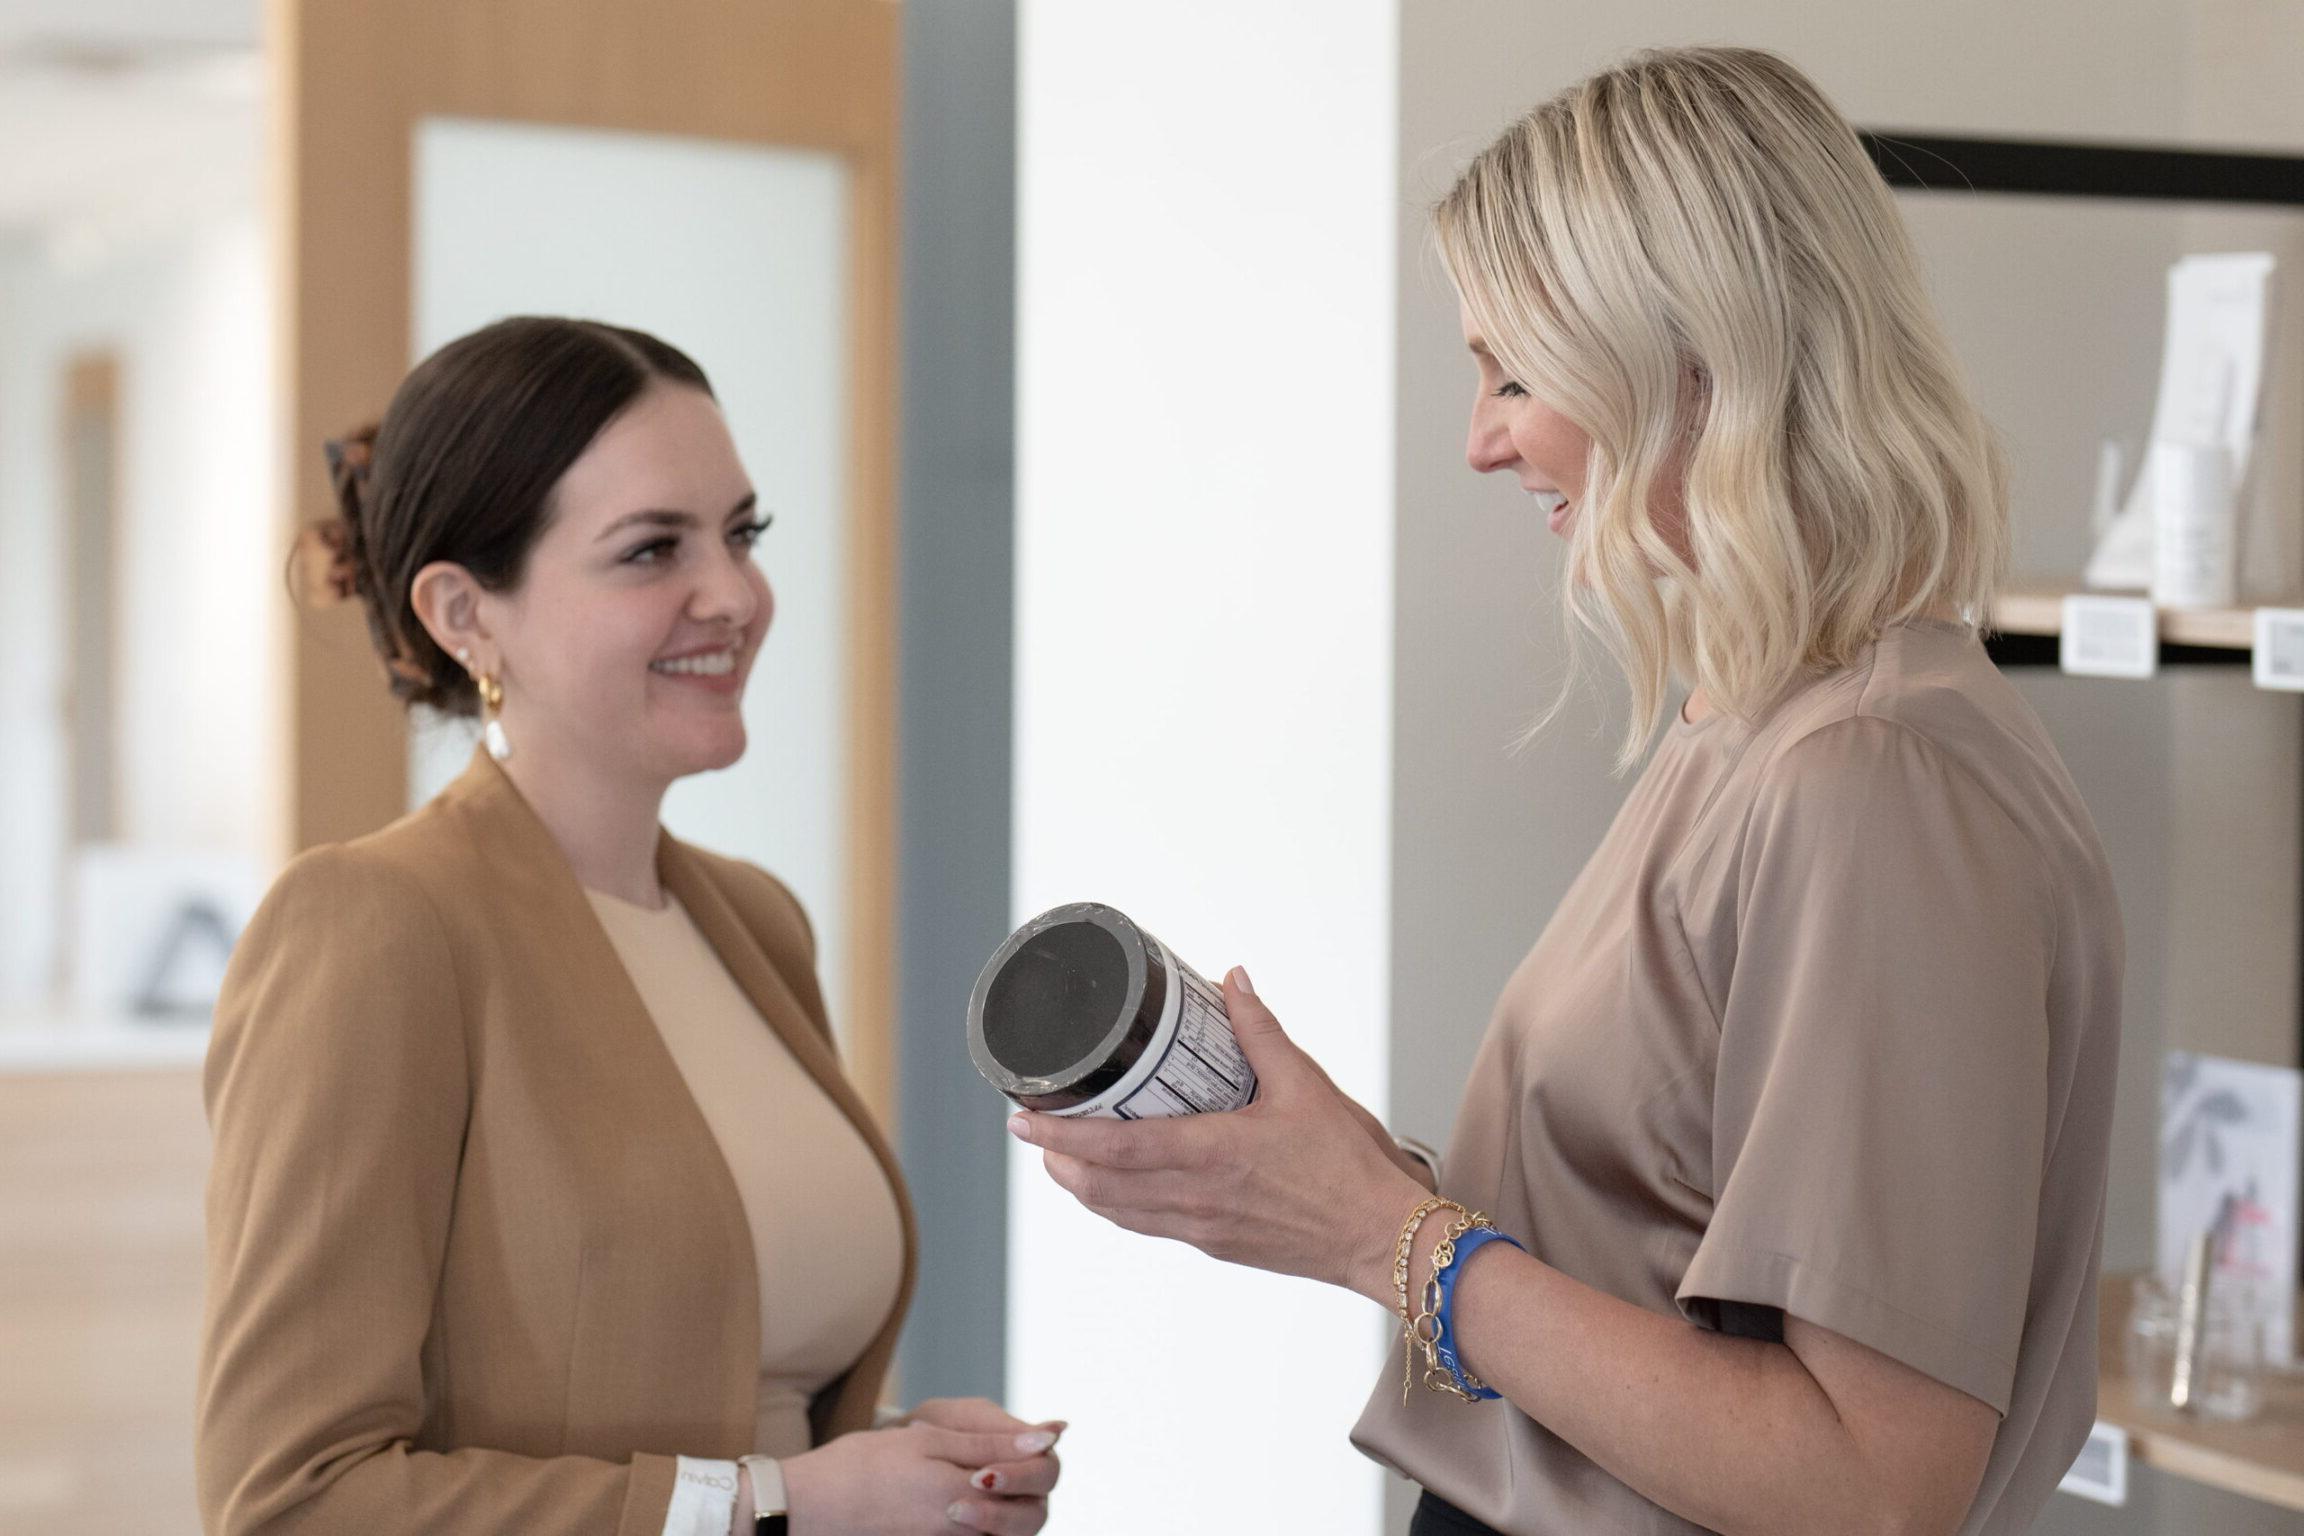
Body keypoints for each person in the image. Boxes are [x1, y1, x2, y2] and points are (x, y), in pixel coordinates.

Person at [1009, 47, 2121, 1536]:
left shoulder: (1873, 777)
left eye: (1515, 372)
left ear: (1694, 364)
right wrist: (1335, 1178)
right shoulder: (1754, 728)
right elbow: (1660, 1258)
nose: (1481, 439)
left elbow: (1870, 1484)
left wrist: (1378, 1233)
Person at [198, 317, 1064, 1536]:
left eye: (742, 534)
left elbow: (707, 1418)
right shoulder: (373, 927)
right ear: (463, 613)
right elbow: (293, 1499)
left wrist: (898, 1469)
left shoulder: (756, 926)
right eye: (653, 549)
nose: (738, 595)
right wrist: (789, 1504)